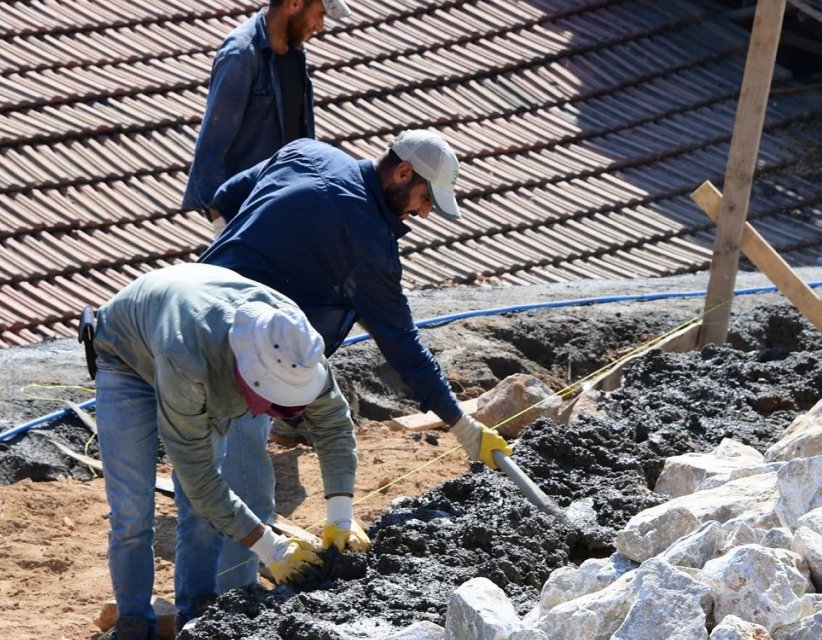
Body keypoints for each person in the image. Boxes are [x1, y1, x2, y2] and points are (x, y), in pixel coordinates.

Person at [199, 129, 513, 477]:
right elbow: (404, 348)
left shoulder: (309, 152)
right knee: (242, 484)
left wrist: (240, 264)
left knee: (187, 456)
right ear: (404, 172)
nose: (424, 214)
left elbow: (223, 199)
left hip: (194, 305)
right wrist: (463, 426)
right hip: (248, 357)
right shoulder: (369, 246)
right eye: (426, 199)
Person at [87, 262, 370, 640]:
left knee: (203, 516)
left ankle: (198, 618)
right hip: (125, 357)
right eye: (274, 404)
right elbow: (198, 476)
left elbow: (334, 425)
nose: (275, 415)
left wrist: (340, 516)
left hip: (195, 336)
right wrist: (272, 549)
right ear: (248, 377)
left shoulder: (292, 340)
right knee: (132, 513)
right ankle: (134, 623)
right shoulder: (189, 360)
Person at [181, 0, 351, 222]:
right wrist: (220, 221)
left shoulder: (296, 52)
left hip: (283, 205)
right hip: (244, 212)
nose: (320, 26)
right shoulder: (240, 55)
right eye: (319, 14)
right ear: (295, 4)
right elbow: (211, 147)